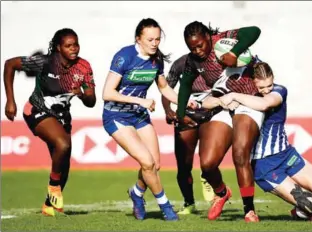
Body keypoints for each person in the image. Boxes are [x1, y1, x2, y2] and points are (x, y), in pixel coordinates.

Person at [217, 62, 312, 222]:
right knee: (310, 205)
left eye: (269, 85)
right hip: (264, 166)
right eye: (262, 87)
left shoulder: (279, 91)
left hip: (287, 155)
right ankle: (299, 212)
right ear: (252, 82)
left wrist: (233, 96)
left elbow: (266, 103)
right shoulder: (245, 96)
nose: (266, 90)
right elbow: (212, 101)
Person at [102, 18, 195, 221]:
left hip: (139, 116)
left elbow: (164, 88)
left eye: (158, 39)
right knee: (146, 161)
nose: (155, 43)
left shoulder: (156, 59)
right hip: (117, 115)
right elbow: (107, 93)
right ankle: (165, 206)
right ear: (139, 39)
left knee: (154, 165)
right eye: (150, 39)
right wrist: (140, 101)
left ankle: (136, 193)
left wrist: (184, 102)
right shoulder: (124, 57)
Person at [3, 28, 97, 216]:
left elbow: (91, 101)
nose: (74, 49)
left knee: (64, 166)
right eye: (68, 45)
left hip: (62, 117)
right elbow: (9, 64)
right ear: (58, 48)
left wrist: (81, 95)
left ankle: (48, 206)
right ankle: (54, 187)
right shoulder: (45, 62)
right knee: (63, 144)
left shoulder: (83, 67)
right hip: (37, 110)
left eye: (76, 44)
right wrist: (10, 100)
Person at [176, 21, 263, 222]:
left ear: (208, 37)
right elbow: (185, 86)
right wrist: (181, 114)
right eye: (192, 47)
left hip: (248, 100)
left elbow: (254, 31)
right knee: (207, 165)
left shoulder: (224, 40)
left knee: (240, 153)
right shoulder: (192, 61)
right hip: (224, 104)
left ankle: (249, 210)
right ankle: (222, 192)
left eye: (200, 45)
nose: (197, 51)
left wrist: (235, 52)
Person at [161, 54, 216, 215]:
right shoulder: (180, 63)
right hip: (186, 114)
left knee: (209, 160)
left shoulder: (217, 61)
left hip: (211, 114)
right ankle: (189, 203)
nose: (198, 50)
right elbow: (166, 88)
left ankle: (207, 175)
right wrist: (168, 110)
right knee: (183, 166)